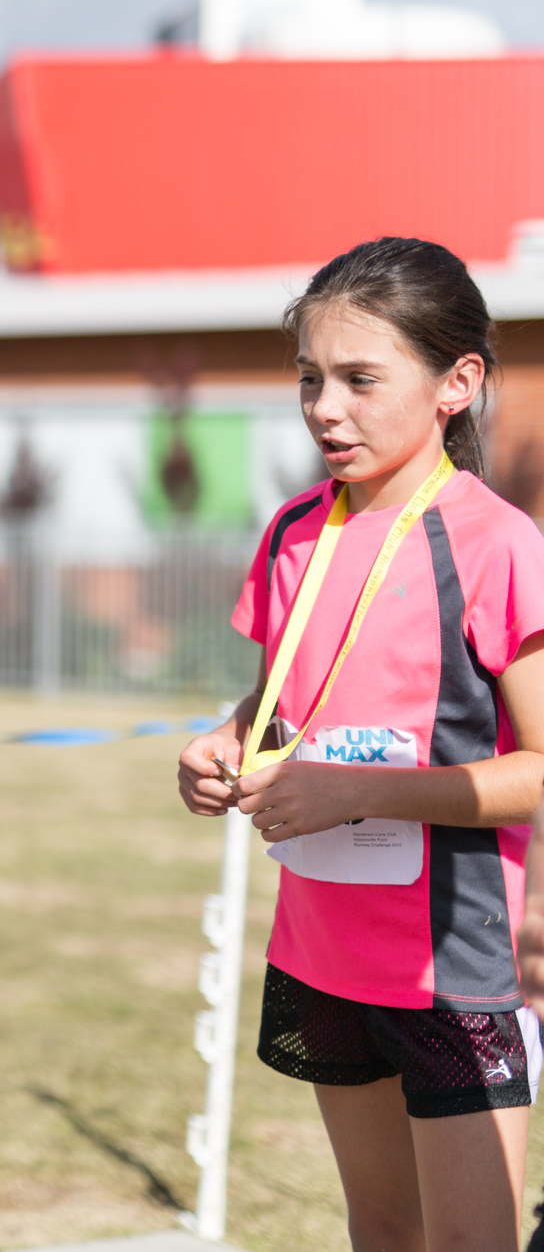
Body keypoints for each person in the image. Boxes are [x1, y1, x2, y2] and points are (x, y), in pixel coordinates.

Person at [180, 237, 544, 1251]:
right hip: (319, 953)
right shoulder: (293, 529)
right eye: (307, 378)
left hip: (452, 969)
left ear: (454, 382)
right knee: (380, 1228)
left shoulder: (495, 546)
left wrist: (358, 792)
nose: (322, 408)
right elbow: (276, 707)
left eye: (356, 379)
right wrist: (220, 744)